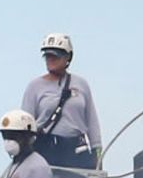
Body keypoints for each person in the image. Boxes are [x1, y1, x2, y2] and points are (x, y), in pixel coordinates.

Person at [21, 33, 102, 169]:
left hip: (76, 149)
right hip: (47, 148)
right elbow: (24, 124)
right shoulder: (34, 87)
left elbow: (92, 121)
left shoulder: (81, 84)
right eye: (48, 56)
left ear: (68, 57)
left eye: (56, 55)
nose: (51, 59)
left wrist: (97, 152)